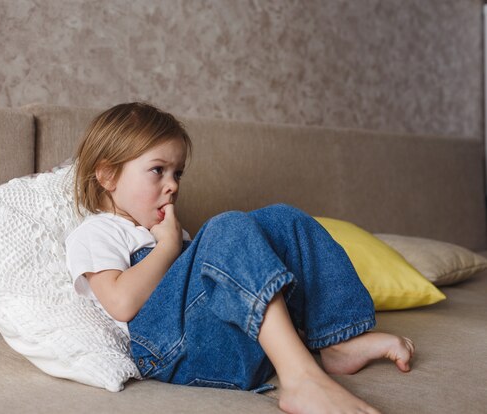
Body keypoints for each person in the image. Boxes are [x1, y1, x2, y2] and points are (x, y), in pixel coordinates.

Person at [64, 102, 415, 414]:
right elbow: (122, 302)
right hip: (171, 355)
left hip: (230, 344)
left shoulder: (172, 234)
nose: (172, 185)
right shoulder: (100, 232)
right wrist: (168, 247)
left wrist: (175, 242)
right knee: (227, 226)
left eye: (178, 173)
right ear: (108, 175)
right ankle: (300, 378)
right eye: (158, 170)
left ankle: (338, 339)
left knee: (283, 218)